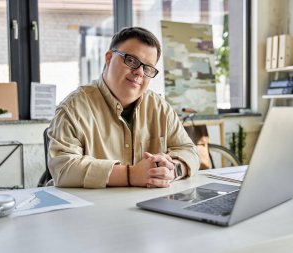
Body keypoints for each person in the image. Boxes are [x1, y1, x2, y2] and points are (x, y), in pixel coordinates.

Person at [47, 26, 199, 188]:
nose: (140, 72)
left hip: (150, 206)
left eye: (147, 68)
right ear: (108, 58)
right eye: (131, 60)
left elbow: (189, 151)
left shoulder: (160, 107)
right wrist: (130, 174)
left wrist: (173, 169)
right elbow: (63, 169)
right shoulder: (73, 108)